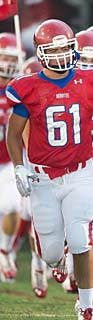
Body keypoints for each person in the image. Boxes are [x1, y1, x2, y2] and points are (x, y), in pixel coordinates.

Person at [6, 19, 93, 320]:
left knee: (80, 238)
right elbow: (12, 133)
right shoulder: (28, 87)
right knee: (51, 253)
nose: (61, 56)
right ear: (42, 52)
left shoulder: (88, 81)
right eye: (54, 50)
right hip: (42, 177)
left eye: (65, 49)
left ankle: (86, 305)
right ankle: (52, 260)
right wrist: (19, 167)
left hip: (80, 172)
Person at [0, 32, 24, 284]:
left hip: (10, 160)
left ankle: (5, 251)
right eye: (5, 55)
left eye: (14, 57)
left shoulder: (20, 89)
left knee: (12, 206)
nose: (10, 61)